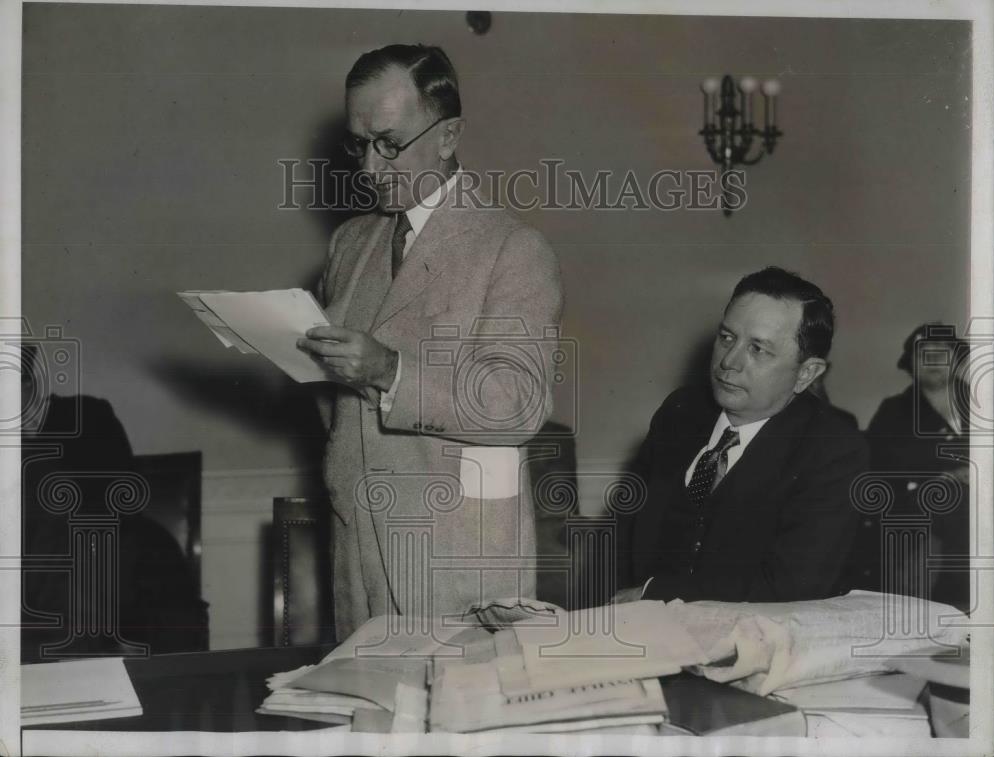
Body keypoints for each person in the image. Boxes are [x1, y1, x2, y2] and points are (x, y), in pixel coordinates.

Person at [297, 44, 563, 640]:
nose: (369, 168)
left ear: (448, 137)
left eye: (389, 144)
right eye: (358, 145)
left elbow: (518, 403)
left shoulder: (510, 249)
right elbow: (333, 406)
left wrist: (390, 372)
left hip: (458, 556)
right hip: (355, 544)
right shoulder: (350, 245)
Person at [614, 267, 868, 604]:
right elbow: (625, 534)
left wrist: (651, 594)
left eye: (758, 349)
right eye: (727, 337)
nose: (728, 362)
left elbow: (791, 587)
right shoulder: (680, 412)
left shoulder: (833, 450)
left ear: (806, 373)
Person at [20, 343, 209, 661]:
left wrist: (27, 449)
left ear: (27, 384)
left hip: (104, 548)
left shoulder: (86, 415)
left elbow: (120, 491)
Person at [842, 323, 971, 612]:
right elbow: (875, 476)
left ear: (958, 359)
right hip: (920, 532)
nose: (934, 360)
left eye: (943, 352)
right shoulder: (894, 412)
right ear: (911, 363)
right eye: (925, 353)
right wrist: (943, 477)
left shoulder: (986, 403)